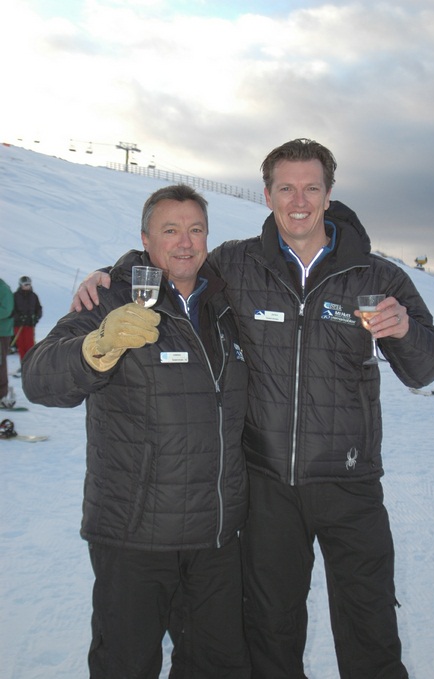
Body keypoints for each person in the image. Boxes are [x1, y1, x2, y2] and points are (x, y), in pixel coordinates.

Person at [72, 139, 434, 679]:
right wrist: (115, 273)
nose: (299, 200)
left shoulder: (375, 276)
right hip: (267, 485)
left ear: (328, 193)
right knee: (271, 631)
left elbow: (427, 367)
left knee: (370, 629)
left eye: (311, 187)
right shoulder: (236, 264)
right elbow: (175, 262)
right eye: (286, 188)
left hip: (350, 482)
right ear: (267, 194)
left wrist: (407, 330)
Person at [22, 184, 251, 679]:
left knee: (219, 666)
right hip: (135, 535)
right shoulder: (111, 295)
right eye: (170, 230)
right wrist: (94, 347)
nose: (185, 242)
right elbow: (40, 376)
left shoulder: (225, 305)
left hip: (214, 537)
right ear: (146, 239)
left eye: (195, 230)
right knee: (126, 665)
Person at [13, 275, 42, 374]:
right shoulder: (16, 296)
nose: (27, 286)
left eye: (29, 284)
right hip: (19, 325)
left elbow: (39, 309)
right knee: (21, 346)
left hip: (29, 325)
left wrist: (35, 318)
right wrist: (19, 317)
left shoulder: (33, 296)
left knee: (29, 345)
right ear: (21, 285)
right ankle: (23, 365)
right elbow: (12, 310)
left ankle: (31, 365)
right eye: (25, 284)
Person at [0, 278, 15, 408]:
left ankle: (1, 394)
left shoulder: (3, 288)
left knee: (0, 362)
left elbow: (6, 310)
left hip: (2, 332)